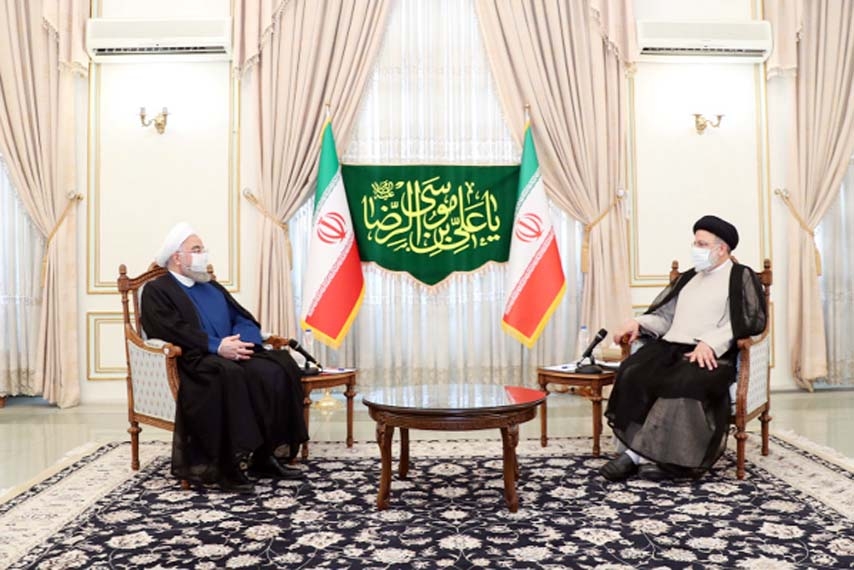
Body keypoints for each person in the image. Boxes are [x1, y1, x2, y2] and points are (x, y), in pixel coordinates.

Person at [141, 222, 309, 493]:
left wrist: (242, 343)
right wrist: (216, 346)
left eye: (202, 249)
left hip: (231, 353)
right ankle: (228, 465)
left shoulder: (210, 285)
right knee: (229, 375)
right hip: (195, 360)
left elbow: (241, 317)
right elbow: (169, 329)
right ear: (177, 257)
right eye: (196, 249)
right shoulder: (158, 290)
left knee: (279, 365)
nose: (203, 254)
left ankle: (264, 456)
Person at [600, 215, 767, 482]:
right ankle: (645, 455)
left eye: (702, 244)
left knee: (683, 384)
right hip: (671, 349)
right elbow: (665, 318)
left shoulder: (740, 276)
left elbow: (746, 322)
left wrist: (710, 343)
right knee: (633, 372)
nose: (695, 248)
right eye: (695, 243)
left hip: (712, 355)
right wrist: (638, 322)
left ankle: (635, 456)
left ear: (721, 249)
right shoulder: (689, 277)